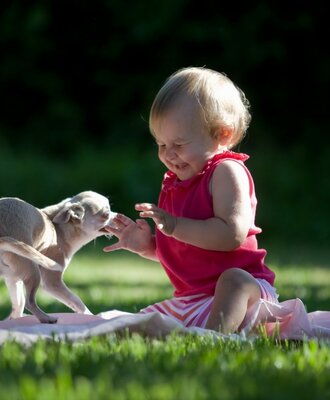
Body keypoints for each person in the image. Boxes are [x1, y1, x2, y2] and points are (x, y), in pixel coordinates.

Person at [103, 66, 277, 334]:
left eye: (179, 144)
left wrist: (173, 226)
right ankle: (207, 331)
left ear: (223, 135)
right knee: (133, 327)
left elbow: (231, 234)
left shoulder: (226, 171)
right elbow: (187, 250)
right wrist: (148, 246)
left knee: (233, 281)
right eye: (161, 145)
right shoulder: (175, 182)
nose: (169, 155)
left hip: (247, 297)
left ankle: (214, 338)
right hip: (195, 301)